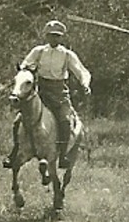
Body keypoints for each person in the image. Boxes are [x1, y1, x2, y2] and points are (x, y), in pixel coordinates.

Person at [6, 19, 90, 170]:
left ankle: (63, 155)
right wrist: (24, 73)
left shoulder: (67, 54)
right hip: (41, 92)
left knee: (65, 121)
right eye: (51, 36)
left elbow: (81, 71)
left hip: (59, 94)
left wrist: (85, 84)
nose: (54, 39)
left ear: (61, 37)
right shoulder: (38, 51)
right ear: (46, 36)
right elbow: (26, 66)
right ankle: (15, 152)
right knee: (18, 121)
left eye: (57, 36)